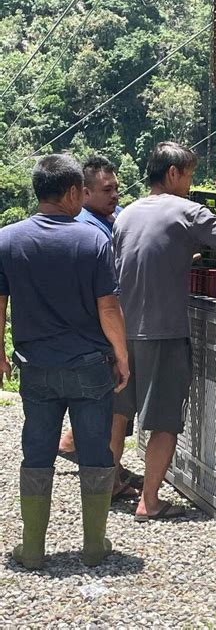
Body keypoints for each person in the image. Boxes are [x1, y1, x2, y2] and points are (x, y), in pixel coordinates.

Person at [113, 141, 216, 521]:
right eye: (188, 175)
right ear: (173, 173)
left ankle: (108, 483)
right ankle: (149, 501)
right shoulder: (188, 211)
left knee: (118, 412)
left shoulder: (128, 213)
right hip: (163, 331)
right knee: (165, 419)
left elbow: (137, 258)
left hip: (123, 330)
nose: (191, 183)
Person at [0, 154, 129, 569]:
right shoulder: (93, 241)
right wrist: (123, 357)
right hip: (90, 367)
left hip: (35, 367)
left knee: (37, 451)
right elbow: (108, 308)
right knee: (95, 452)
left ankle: (33, 549)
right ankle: (94, 546)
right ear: (74, 191)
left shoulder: (8, 240)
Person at [57, 156, 141, 500]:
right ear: (84, 192)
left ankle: (75, 444)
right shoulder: (89, 230)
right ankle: (107, 474)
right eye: (107, 190)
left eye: (117, 188)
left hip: (105, 322)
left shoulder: (112, 218)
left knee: (108, 401)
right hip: (98, 326)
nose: (115, 195)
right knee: (109, 401)